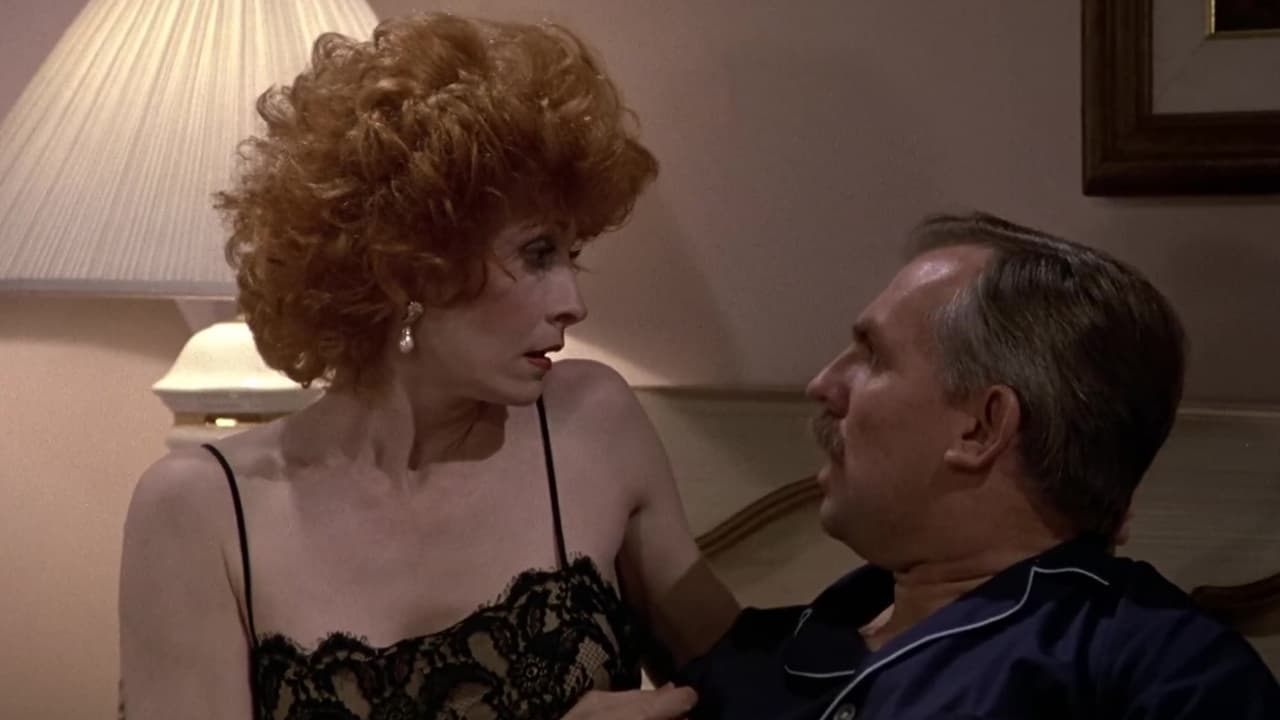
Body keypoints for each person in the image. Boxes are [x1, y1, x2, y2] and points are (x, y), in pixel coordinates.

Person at [118, 13, 736, 720]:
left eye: (572, 255)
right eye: (538, 254)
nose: (574, 303)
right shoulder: (199, 510)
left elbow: (747, 691)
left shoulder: (592, 425)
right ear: (410, 265)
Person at [678, 211, 1280, 719]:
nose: (823, 385)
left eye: (873, 356)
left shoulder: (1161, 669)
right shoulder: (782, 648)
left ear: (982, 428)